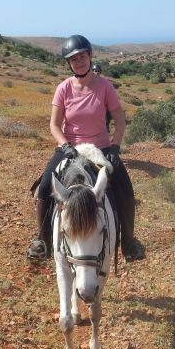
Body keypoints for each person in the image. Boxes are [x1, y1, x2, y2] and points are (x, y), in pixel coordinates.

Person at [26, 34, 145, 262]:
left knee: (126, 190)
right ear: (69, 63)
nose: (78, 61)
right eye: (73, 59)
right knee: (43, 188)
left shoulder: (105, 86)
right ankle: (42, 240)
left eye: (82, 56)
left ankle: (129, 241)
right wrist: (65, 145)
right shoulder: (63, 88)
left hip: (99, 148)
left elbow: (119, 121)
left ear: (90, 56)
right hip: (69, 148)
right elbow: (53, 124)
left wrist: (115, 147)